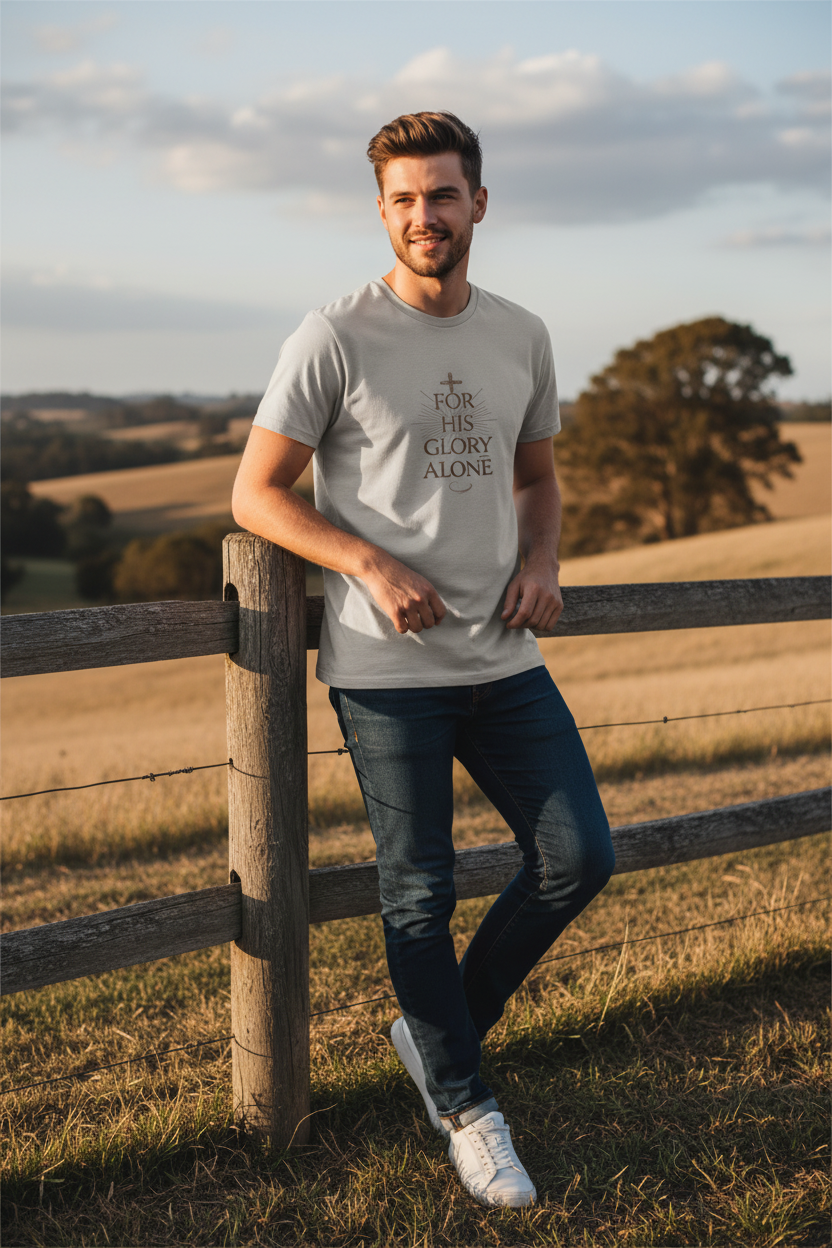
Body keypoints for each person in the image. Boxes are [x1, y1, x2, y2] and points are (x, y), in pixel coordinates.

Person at [232, 111, 615, 1208]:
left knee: (577, 856)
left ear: (478, 204)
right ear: (382, 210)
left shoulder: (521, 333)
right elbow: (254, 493)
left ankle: (430, 1031)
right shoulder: (333, 336)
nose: (422, 215)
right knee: (418, 898)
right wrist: (363, 562)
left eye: (441, 195)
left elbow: (535, 479)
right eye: (401, 198)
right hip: (385, 674)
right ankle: (466, 1106)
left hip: (504, 661)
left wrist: (541, 561)